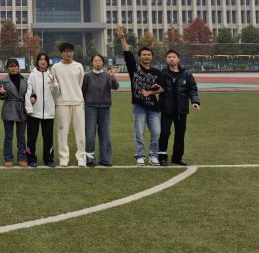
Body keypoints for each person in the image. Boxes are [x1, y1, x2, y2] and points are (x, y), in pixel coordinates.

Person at [116, 26, 166, 166]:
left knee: (156, 133)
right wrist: (122, 38)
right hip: (138, 106)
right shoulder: (135, 68)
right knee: (139, 133)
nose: (146, 56)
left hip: (153, 108)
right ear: (140, 56)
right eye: (144, 54)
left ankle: (153, 155)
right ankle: (140, 156)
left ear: (152, 57)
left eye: (148, 54)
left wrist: (150, 92)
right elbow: (127, 53)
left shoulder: (157, 72)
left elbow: (163, 88)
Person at [159, 49, 201, 166]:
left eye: (174, 57)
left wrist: (195, 101)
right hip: (166, 110)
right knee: (164, 134)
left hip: (181, 110)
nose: (171, 59)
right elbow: (156, 87)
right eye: (169, 57)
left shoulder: (186, 74)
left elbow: (192, 89)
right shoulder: (162, 74)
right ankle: (162, 158)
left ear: (178, 59)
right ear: (166, 59)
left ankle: (177, 158)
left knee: (180, 135)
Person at [51, 42, 86, 167]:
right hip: (62, 103)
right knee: (62, 132)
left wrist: (76, 95)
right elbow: (54, 86)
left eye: (70, 51)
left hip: (78, 102)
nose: (68, 54)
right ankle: (63, 158)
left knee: (80, 132)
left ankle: (81, 158)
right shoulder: (55, 67)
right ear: (61, 53)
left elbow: (80, 83)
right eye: (66, 51)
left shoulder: (79, 66)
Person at [82, 54, 119, 167]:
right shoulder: (87, 76)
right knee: (90, 134)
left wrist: (113, 77)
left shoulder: (108, 75)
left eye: (99, 60)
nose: (97, 62)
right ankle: (89, 159)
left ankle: (105, 159)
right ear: (92, 63)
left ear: (103, 63)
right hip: (90, 108)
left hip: (105, 108)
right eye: (95, 60)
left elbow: (115, 87)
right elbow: (82, 91)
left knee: (105, 134)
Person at [25, 52, 59, 168]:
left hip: (49, 113)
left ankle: (48, 159)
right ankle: (30, 158)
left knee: (48, 138)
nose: (43, 61)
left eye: (45, 59)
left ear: (48, 62)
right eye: (40, 59)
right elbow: (28, 92)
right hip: (34, 113)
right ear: (37, 61)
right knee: (31, 138)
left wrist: (54, 85)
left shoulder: (51, 75)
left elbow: (56, 95)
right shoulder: (32, 75)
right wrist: (29, 108)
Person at [0, 58, 28, 168]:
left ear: (18, 68)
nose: (13, 68)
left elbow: (29, 93)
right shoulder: (3, 81)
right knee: (8, 136)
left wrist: (33, 97)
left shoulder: (24, 80)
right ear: (7, 68)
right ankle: (8, 158)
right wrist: (2, 94)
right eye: (11, 66)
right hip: (9, 109)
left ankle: (22, 157)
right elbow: (0, 97)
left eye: (15, 66)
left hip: (22, 109)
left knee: (21, 136)